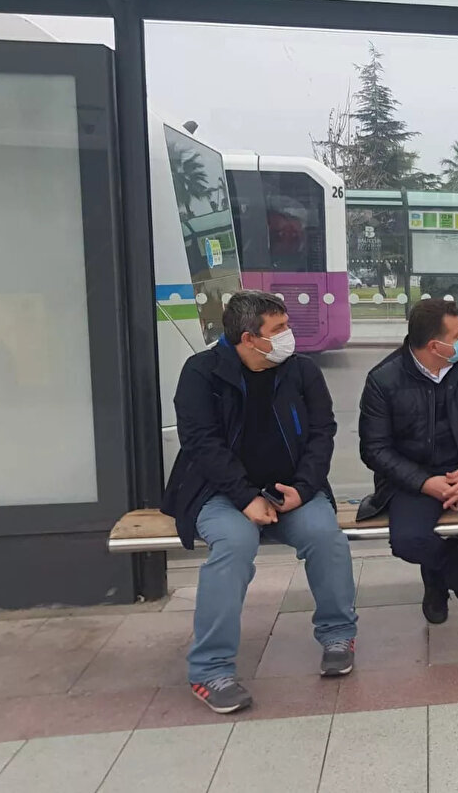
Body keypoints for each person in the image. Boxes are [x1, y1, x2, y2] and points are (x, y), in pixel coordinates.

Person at [163, 291, 357, 714]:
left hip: (292, 490)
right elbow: (201, 443)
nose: (289, 336)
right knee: (234, 545)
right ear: (249, 338)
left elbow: (323, 431)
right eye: (280, 329)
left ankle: (338, 636)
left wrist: (304, 489)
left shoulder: (301, 372)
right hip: (219, 493)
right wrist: (245, 497)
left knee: (326, 537)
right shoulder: (201, 373)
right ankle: (210, 669)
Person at [358, 299, 458, 625]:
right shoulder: (383, 381)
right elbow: (374, 449)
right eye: (457, 335)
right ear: (435, 345)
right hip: (415, 476)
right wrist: (424, 483)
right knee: (407, 541)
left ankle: (447, 577)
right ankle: (445, 574)